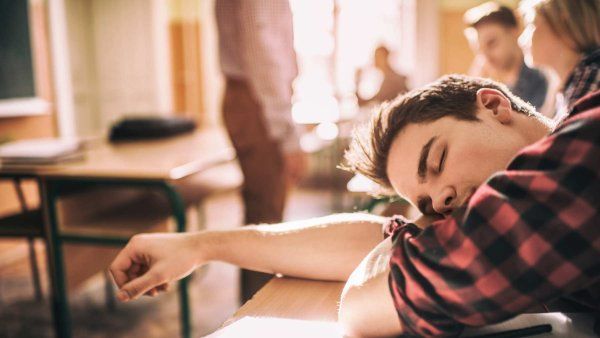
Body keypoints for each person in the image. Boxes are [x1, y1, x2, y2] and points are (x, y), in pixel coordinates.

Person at [109, 73, 599, 336]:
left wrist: (403, 250)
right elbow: (384, 234)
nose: (444, 200)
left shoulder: (585, 150)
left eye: (438, 159)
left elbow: (368, 308)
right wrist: (203, 245)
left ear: (493, 106)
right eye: (427, 203)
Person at [215, 0, 307, 302]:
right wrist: (287, 134)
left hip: (253, 99)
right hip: (256, 101)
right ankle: (258, 316)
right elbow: (263, 57)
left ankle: (255, 311)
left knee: (263, 215)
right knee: (266, 221)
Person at [518, 0, 600, 122]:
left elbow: (565, 137)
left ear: (563, 24)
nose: (521, 40)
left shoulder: (592, 75)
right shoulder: (572, 85)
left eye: (532, 24)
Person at [464, 2, 550, 114]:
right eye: (480, 50)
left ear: (514, 31)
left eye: (491, 43)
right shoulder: (498, 89)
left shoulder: (544, 76)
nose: (486, 57)